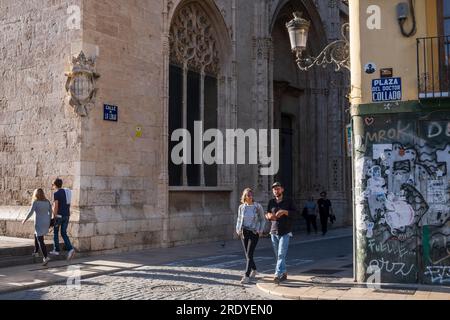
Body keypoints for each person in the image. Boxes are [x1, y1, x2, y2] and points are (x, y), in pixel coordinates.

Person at [266, 182, 298, 284]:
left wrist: (285, 212)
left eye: (278, 189)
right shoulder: (271, 202)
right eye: (274, 189)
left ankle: (277, 274)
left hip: (285, 231)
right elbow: (267, 213)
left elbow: (296, 214)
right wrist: (268, 216)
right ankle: (284, 273)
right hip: (273, 232)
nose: (276, 190)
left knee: (280, 254)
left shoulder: (288, 201)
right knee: (279, 255)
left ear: (282, 189)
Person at [236, 188, 266, 284]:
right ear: (244, 196)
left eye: (251, 195)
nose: (250, 196)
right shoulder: (241, 207)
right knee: (247, 255)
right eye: (248, 195)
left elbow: (262, 219)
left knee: (249, 254)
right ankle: (255, 270)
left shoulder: (257, 207)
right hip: (244, 232)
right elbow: (239, 219)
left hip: (254, 232)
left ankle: (246, 276)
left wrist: (260, 230)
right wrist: (238, 229)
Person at [22, 189, 52, 266]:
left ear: (35, 194)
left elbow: (30, 212)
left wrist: (25, 219)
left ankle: (45, 257)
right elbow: (50, 212)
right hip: (46, 222)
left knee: (40, 240)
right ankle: (36, 252)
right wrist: (49, 221)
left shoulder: (35, 202)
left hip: (39, 222)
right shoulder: (47, 202)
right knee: (36, 234)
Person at [50, 178, 75, 260]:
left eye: (52, 185)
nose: (52, 186)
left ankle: (56, 250)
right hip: (67, 215)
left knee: (55, 232)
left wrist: (54, 216)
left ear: (55, 185)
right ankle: (70, 249)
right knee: (64, 233)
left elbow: (56, 206)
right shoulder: (66, 192)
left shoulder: (56, 193)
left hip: (59, 216)